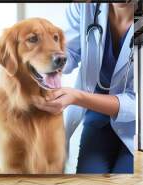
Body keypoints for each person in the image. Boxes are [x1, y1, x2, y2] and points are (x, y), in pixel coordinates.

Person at [34, 3, 135, 173]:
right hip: (97, 116)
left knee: (124, 184)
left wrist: (77, 97)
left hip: (137, 126)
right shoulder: (85, 6)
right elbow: (69, 53)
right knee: (88, 181)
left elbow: (136, 103)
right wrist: (47, 64)